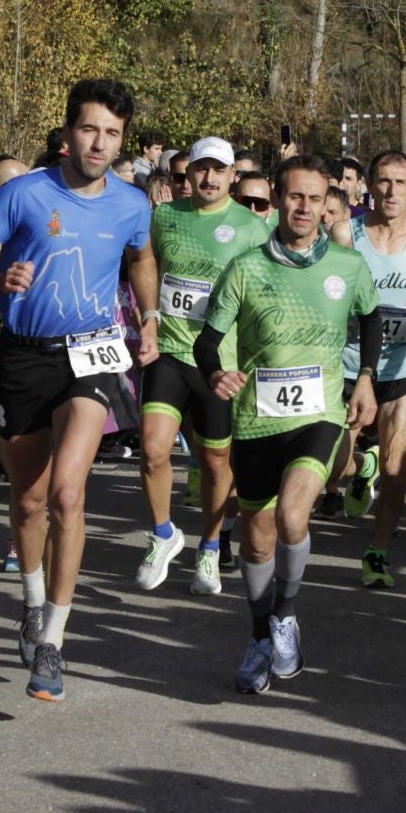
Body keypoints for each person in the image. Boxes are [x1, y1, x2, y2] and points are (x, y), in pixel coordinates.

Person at [0, 78, 158, 704]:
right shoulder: (23, 194)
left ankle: (54, 645)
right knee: (31, 501)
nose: (100, 143)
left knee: (68, 494)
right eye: (90, 129)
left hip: (91, 356)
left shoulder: (131, 203)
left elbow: (141, 258)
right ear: (67, 134)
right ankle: (32, 604)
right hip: (24, 357)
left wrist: (147, 316)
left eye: (112, 134)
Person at [194, 155, 380, 694]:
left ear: (329, 205)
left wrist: (364, 376)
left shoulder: (346, 266)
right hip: (256, 420)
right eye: (294, 196)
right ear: (277, 200)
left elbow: (369, 314)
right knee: (256, 540)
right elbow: (210, 337)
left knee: (293, 516)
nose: (304, 207)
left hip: (318, 413)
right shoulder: (246, 268)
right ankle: (258, 636)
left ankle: (287, 615)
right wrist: (216, 372)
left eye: (315, 198)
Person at [136, 135, 270, 596]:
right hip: (171, 351)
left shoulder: (251, 228)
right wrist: (149, 317)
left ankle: (211, 548)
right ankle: (163, 535)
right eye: (200, 169)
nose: (208, 178)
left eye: (218, 170)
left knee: (215, 462)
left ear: (233, 176)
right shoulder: (166, 216)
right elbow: (145, 263)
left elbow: (263, 295)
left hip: (221, 362)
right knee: (153, 449)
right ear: (187, 173)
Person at [331, 151, 406, 588]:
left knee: (395, 466)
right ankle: (356, 470)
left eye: (400, 183)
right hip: (347, 364)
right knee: (332, 468)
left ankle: (377, 552)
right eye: (383, 182)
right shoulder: (346, 234)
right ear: (369, 185)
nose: (390, 191)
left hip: (402, 364)